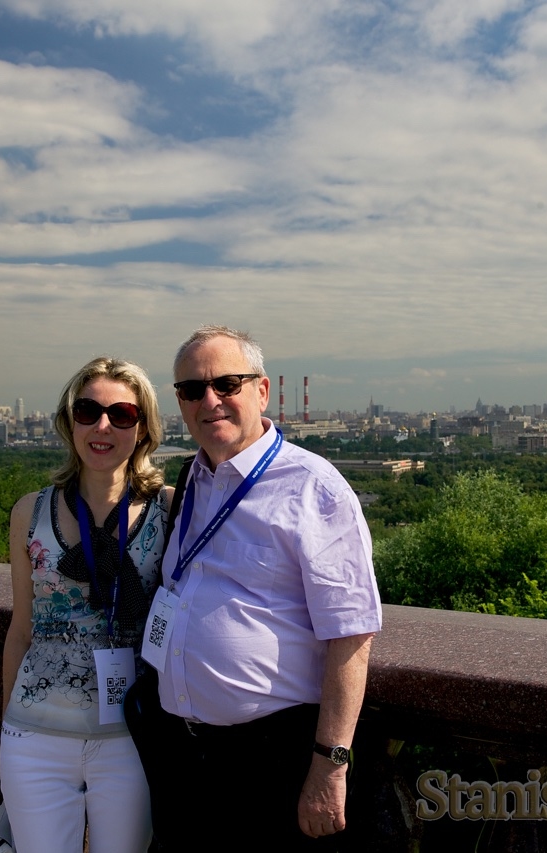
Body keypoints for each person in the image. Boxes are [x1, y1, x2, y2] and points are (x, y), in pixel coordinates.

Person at [135, 325, 382, 851]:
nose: (210, 400)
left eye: (227, 383)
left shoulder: (314, 488)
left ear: (262, 390)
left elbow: (352, 636)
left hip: (271, 758)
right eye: (192, 389)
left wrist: (330, 765)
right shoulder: (192, 480)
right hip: (180, 756)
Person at [1, 357, 169, 853]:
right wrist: (8, 724)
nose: (102, 426)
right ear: (68, 421)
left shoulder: (170, 509)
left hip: (132, 738)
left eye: (122, 414)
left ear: (143, 429)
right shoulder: (30, 512)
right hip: (35, 738)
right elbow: (21, 629)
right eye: (88, 411)